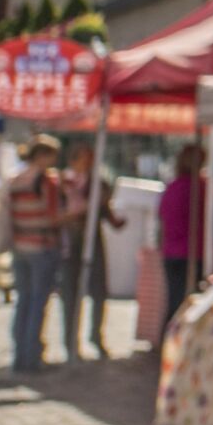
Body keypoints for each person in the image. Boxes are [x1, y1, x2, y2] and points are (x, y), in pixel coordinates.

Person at [1, 136, 69, 373]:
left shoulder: (15, 179)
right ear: (42, 155)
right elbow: (53, 216)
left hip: (20, 245)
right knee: (37, 302)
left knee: (23, 302)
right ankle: (31, 358)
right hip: (41, 245)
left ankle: (19, 356)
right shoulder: (46, 180)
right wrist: (77, 211)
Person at [58, 143, 125, 363]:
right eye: (84, 158)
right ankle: (70, 341)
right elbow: (60, 215)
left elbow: (111, 217)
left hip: (93, 242)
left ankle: (95, 335)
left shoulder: (99, 185)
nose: (88, 163)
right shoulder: (62, 184)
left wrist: (117, 216)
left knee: (99, 291)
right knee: (70, 293)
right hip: (71, 244)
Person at [154, 143, 206, 351]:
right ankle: (178, 345)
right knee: (186, 302)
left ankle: (168, 342)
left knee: (174, 300)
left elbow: (162, 217)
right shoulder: (200, 187)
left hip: (172, 252)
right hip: (191, 252)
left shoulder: (173, 186)